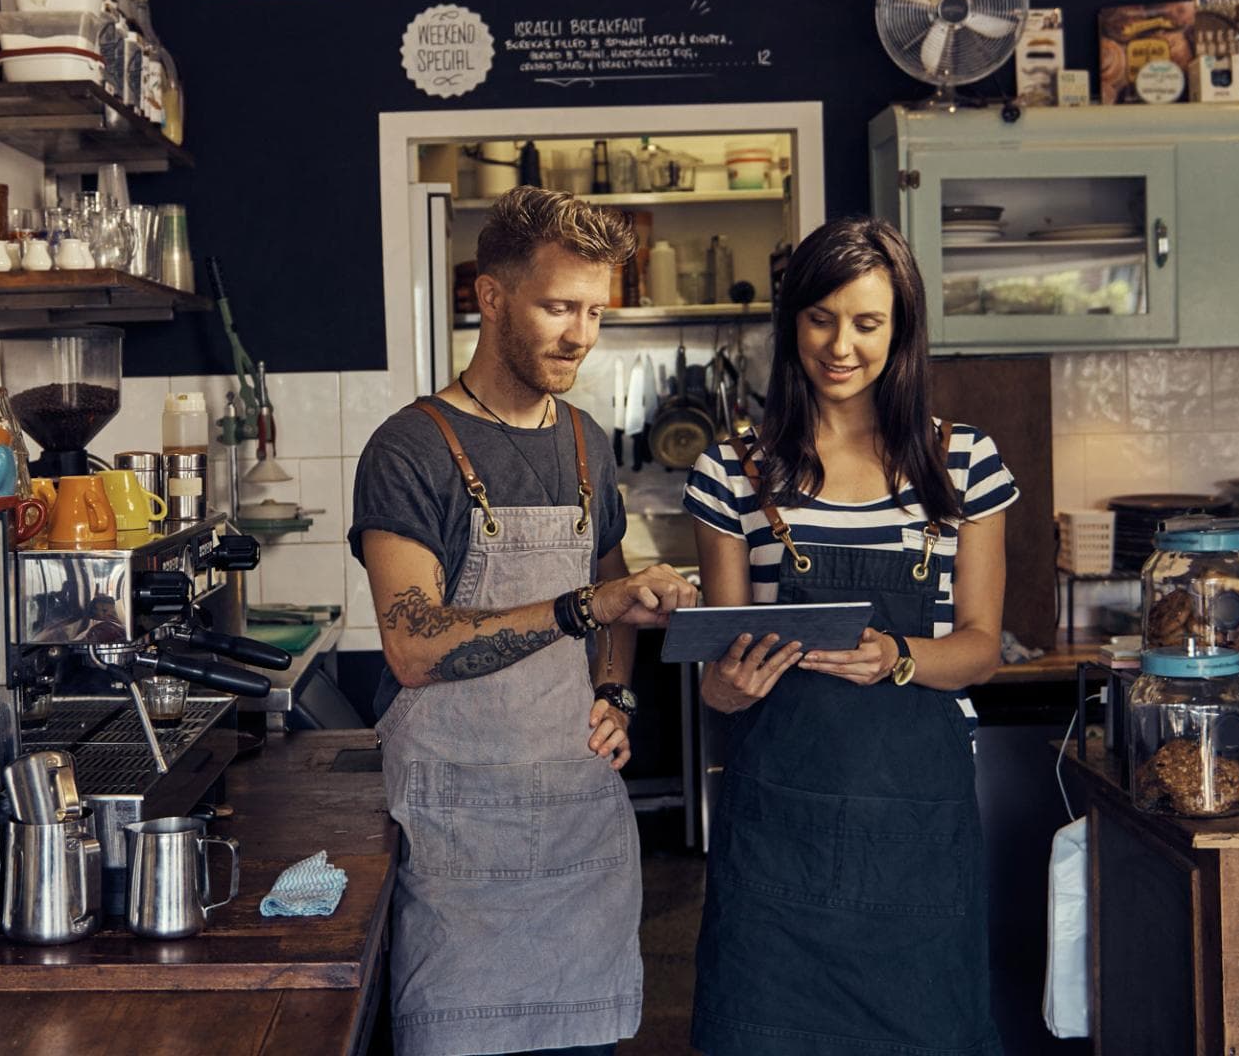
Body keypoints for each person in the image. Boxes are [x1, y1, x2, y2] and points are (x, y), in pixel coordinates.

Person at [350, 186, 696, 1056]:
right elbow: (415, 645)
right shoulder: (411, 448)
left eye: (595, 312)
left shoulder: (585, 439)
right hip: (460, 850)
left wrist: (614, 690)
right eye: (557, 307)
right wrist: (588, 606)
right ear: (491, 297)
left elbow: (615, 590)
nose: (580, 334)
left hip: (580, 839)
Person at [684, 215, 1016, 1056]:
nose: (841, 345)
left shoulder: (963, 461)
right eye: (821, 318)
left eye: (868, 323)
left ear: (900, 331)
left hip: (915, 842)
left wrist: (896, 657)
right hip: (776, 846)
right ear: (791, 321)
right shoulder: (734, 469)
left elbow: (980, 646)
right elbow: (715, 673)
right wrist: (729, 683)